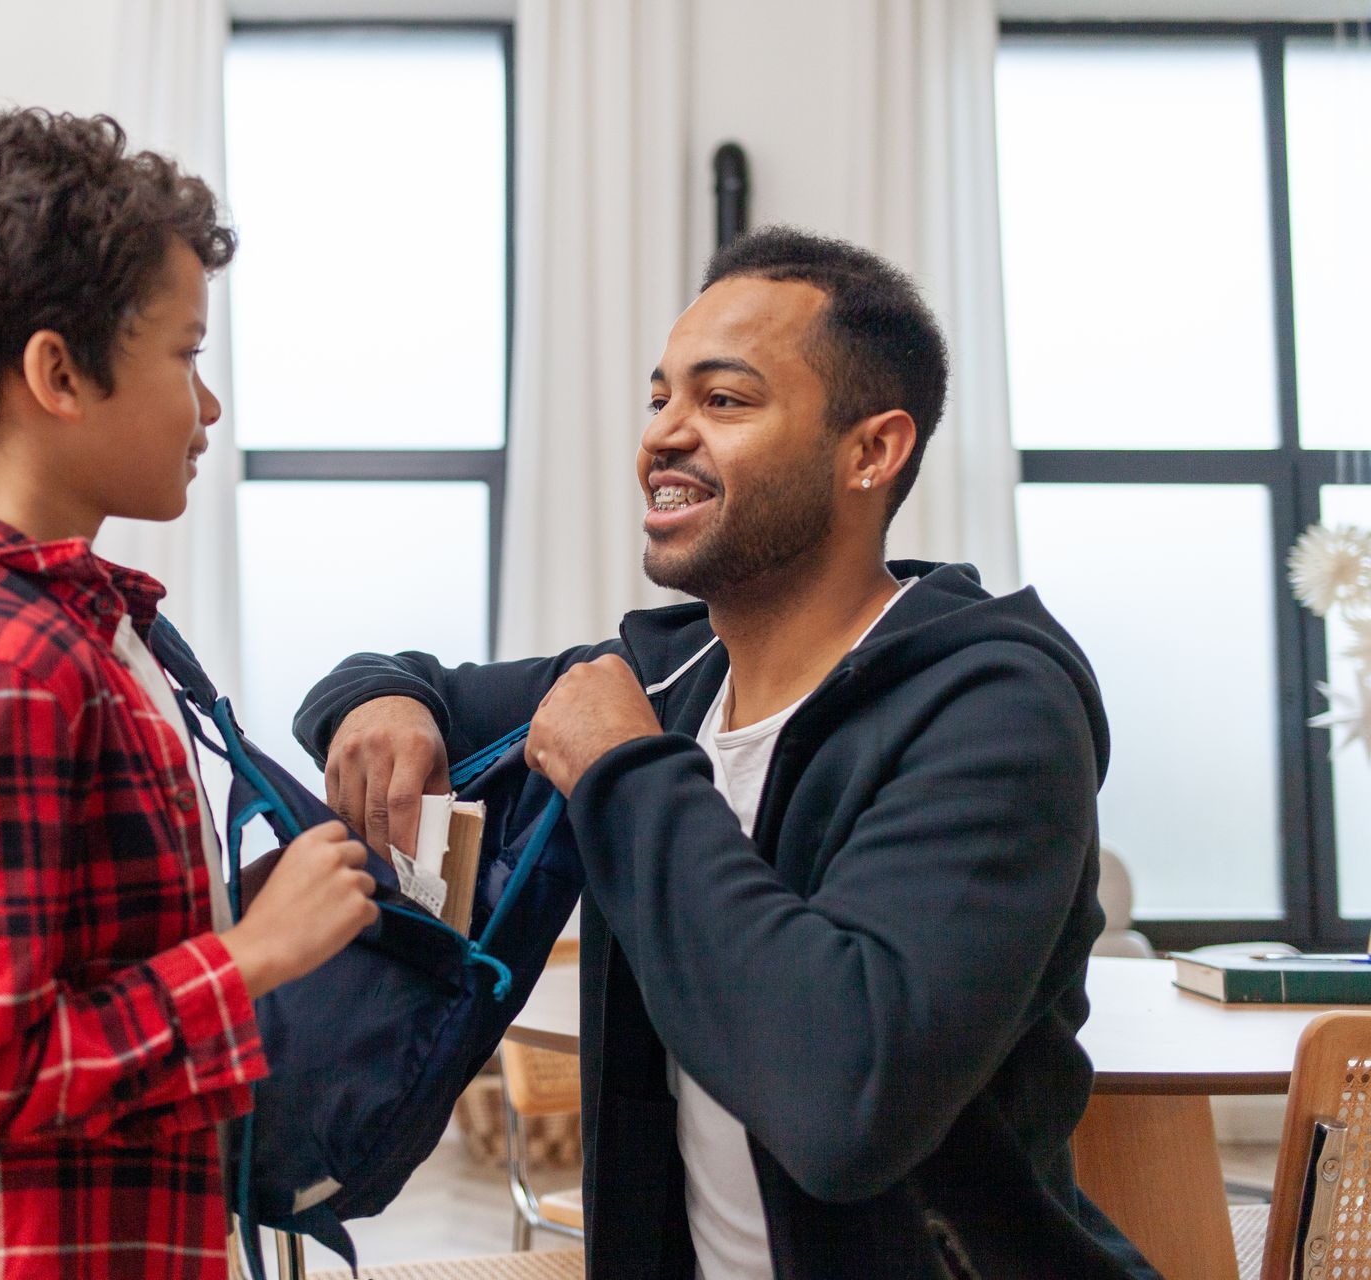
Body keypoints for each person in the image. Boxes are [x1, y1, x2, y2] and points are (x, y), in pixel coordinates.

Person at [296, 227, 1157, 1278]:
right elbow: (399, 679)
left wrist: (623, 773)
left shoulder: (995, 711)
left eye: (725, 400)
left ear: (871, 451)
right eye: (660, 397)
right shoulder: (668, 674)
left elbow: (846, 1097)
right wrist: (380, 701)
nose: (664, 433)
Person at [0, 109, 378, 1280]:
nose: (209, 409)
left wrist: (226, 906)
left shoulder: (72, 631)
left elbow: (67, 961)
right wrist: (248, 955)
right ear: (60, 372)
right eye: (187, 356)